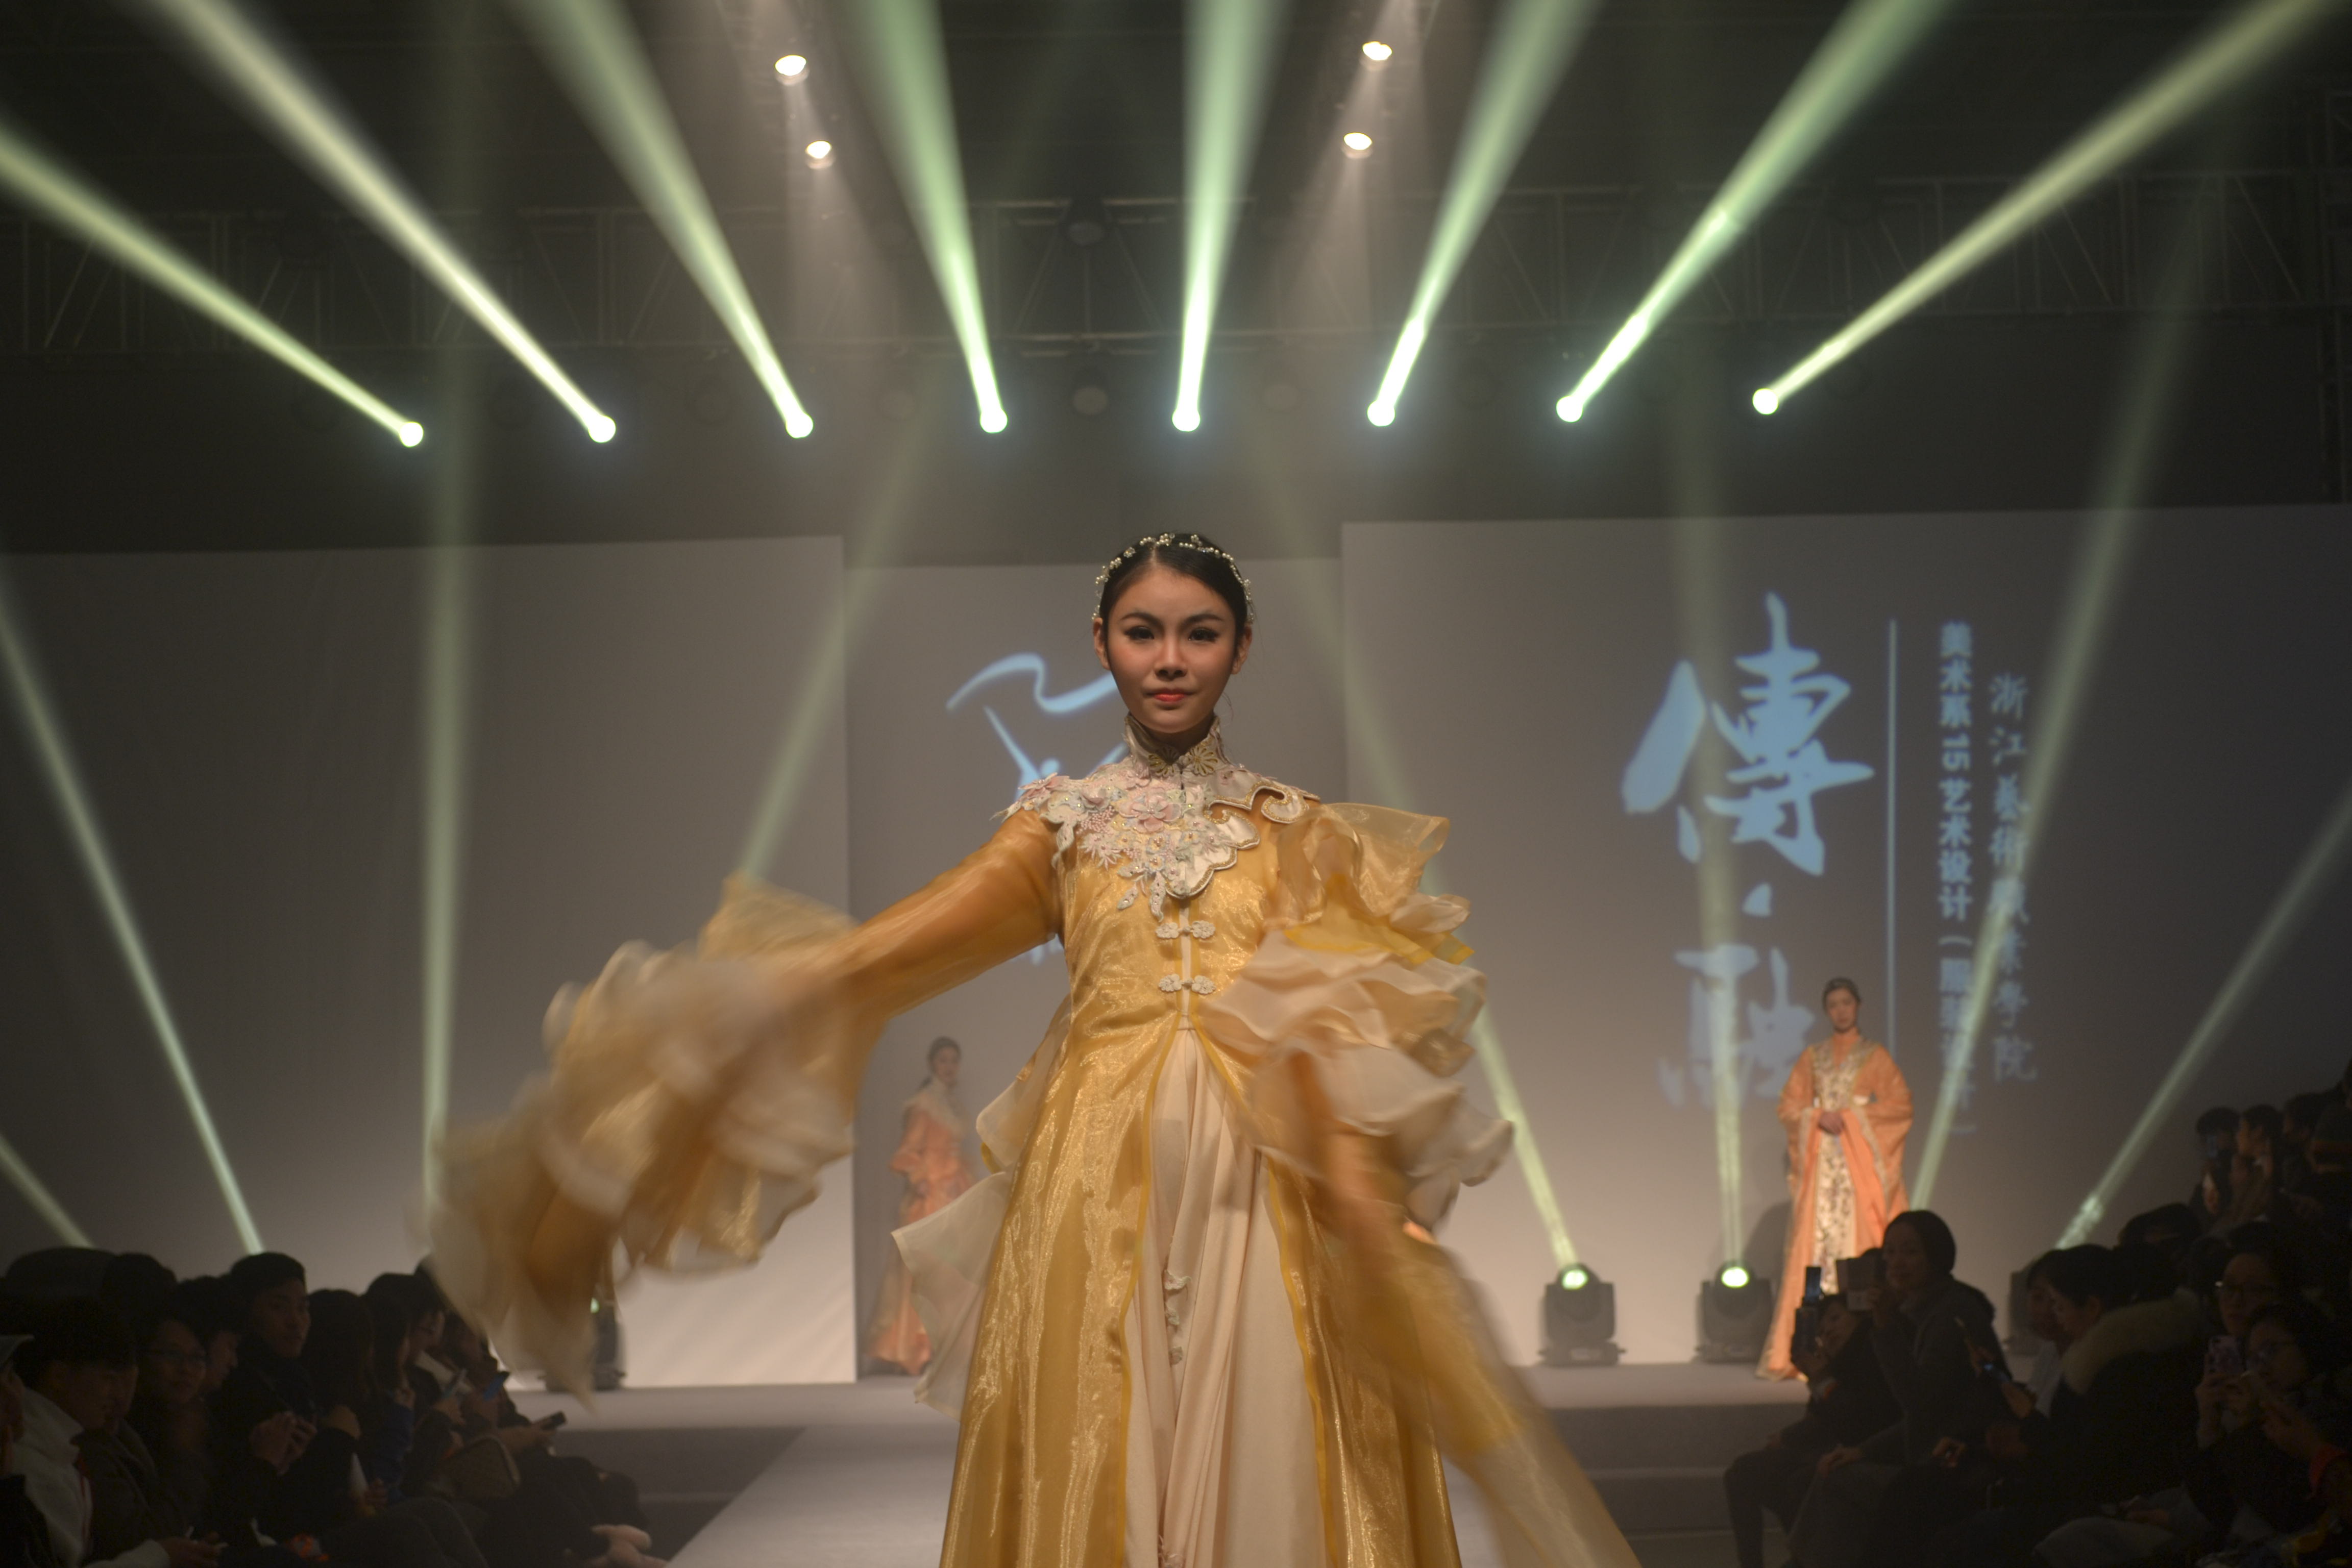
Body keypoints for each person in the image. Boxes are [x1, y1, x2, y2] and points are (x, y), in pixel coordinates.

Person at [431, 531, 1637, 1568]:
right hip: (1097, 1175)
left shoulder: (1297, 828)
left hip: (1258, 1176)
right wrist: (709, 1037)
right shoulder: (1061, 826)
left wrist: (1364, 1199)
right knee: (1100, 1433)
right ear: (1101, 642)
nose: (1170, 658)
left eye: (1201, 632)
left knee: (1272, 1422)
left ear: (1242, 647)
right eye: (1143, 631)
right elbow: (885, 954)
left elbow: (1333, 1031)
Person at [1786, 1210, 2002, 1568]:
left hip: (1954, 1466)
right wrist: (1862, 1450)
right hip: (1926, 1454)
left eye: (1910, 1251)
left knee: (1836, 1481)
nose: (1896, 1263)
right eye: (1890, 1252)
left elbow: (1919, 1403)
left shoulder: (1949, 1314)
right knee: (1829, 1473)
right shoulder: (1923, 1310)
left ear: (1936, 1255)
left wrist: (1884, 1325)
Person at [1761, 978, 1913, 1379]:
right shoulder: (1813, 1058)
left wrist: (1851, 1118)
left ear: (1858, 1006)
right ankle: (1808, 1347)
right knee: (1815, 1256)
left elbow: (1900, 1105)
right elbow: (1788, 1106)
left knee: (1858, 1251)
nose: (1841, 1010)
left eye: (1846, 1002)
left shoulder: (1874, 1056)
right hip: (1821, 1173)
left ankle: (1864, 1348)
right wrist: (1816, 1116)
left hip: (1856, 1173)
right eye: (1833, 1004)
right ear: (1826, 1010)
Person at [1723, 1293, 1897, 1568]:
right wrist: (1788, 1433)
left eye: (1836, 1319)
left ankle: (1806, 1559)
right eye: (1822, 1330)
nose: (1829, 1331)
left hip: (1866, 1454)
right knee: (1742, 1473)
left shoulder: (1874, 1354)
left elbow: (1857, 1422)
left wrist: (1822, 1380)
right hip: (1829, 1449)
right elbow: (1819, 1418)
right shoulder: (1836, 1365)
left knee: (1798, 1483)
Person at [866, 1037, 984, 1375]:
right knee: (926, 1273)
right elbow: (906, 1152)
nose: (949, 1066)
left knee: (952, 1273)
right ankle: (919, 1348)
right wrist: (919, 1177)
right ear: (932, 1063)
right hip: (930, 1196)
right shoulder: (924, 1104)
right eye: (943, 1060)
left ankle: (945, 1348)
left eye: (954, 1060)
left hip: (953, 1192)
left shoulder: (950, 1104)